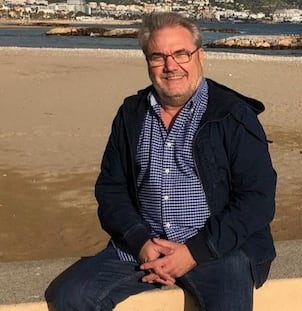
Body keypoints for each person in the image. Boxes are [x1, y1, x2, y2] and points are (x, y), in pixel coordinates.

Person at [45, 12, 277, 311]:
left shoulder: (233, 115)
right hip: (143, 248)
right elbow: (111, 189)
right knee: (70, 297)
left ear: (200, 56)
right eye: (158, 57)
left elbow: (257, 200)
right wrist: (140, 242)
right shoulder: (131, 114)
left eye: (181, 53)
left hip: (218, 248)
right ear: (148, 63)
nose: (171, 66)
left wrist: (194, 251)